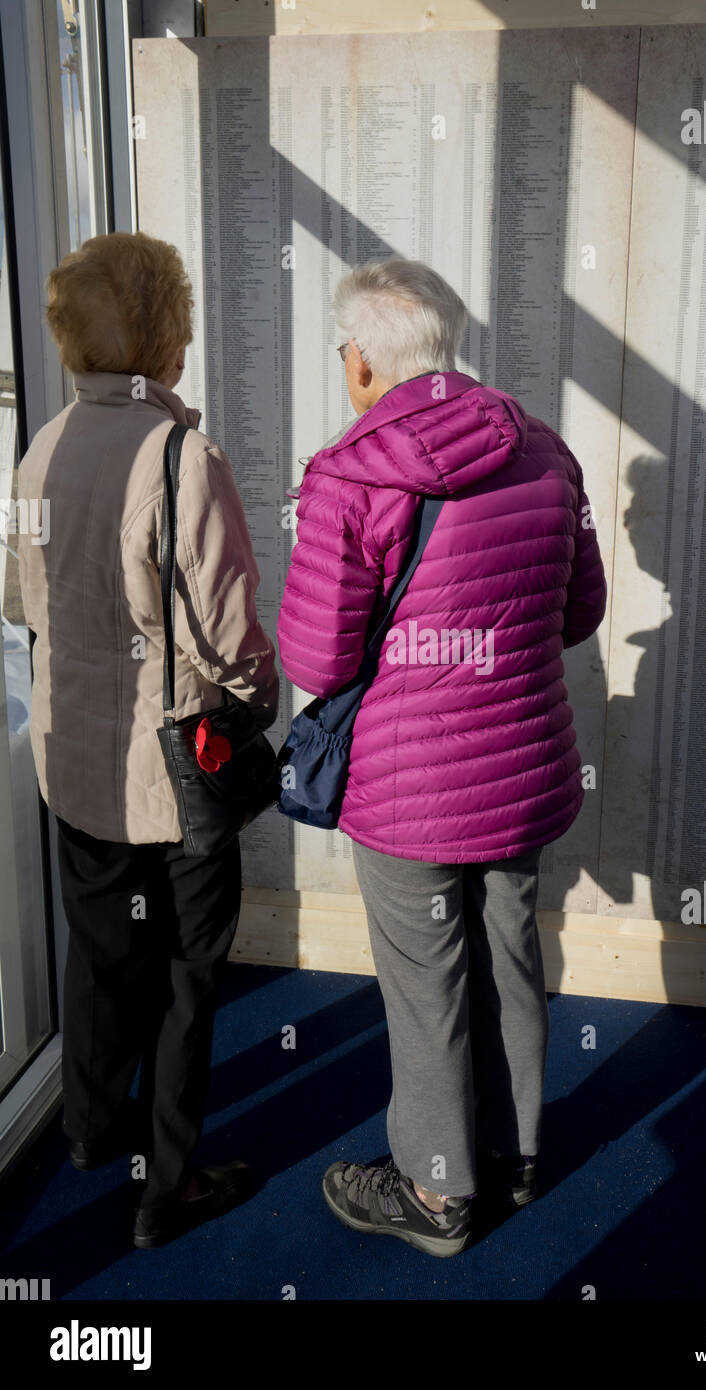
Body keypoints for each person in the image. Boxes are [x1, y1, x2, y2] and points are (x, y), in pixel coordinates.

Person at [278, 257, 606, 1257]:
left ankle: (434, 1196)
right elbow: (578, 612)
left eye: (344, 350)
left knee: (427, 985)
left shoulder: (347, 473)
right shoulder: (544, 448)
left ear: (366, 360)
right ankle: (511, 1157)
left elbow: (318, 656)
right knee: (509, 962)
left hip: (407, 787)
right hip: (521, 771)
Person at [16, 231, 278, 1249]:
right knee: (185, 976)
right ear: (165, 332)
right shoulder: (182, 458)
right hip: (172, 774)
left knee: (98, 952)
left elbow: (17, 598)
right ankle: (167, 1190)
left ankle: (87, 1128)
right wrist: (257, 703)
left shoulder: (40, 449)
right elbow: (230, 637)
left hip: (71, 756)